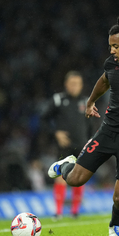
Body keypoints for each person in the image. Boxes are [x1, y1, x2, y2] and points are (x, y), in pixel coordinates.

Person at [48, 12, 119, 236]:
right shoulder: (112, 64)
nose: (111, 51)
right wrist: (91, 101)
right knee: (74, 179)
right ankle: (65, 165)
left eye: (115, 46)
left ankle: (115, 225)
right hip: (108, 131)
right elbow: (104, 80)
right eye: (110, 46)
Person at [42, 71, 90, 220]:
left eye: (78, 84)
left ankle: (75, 212)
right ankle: (58, 212)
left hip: (82, 145)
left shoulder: (87, 101)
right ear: (66, 84)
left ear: (81, 85)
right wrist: (55, 133)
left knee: (80, 176)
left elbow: (92, 124)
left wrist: (92, 139)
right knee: (60, 176)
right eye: (72, 83)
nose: (75, 87)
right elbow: (43, 119)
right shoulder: (58, 100)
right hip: (64, 146)